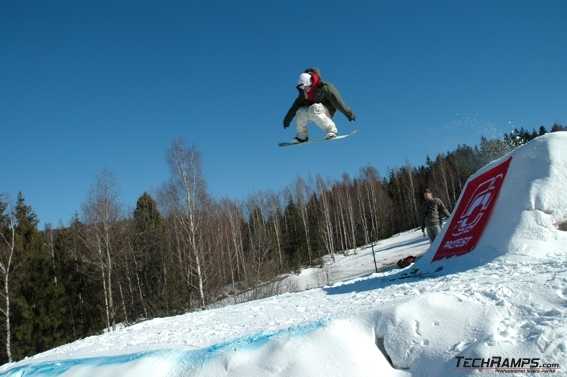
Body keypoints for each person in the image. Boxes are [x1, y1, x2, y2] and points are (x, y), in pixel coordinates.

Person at [283, 68, 356, 143]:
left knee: (314, 107)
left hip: (327, 110)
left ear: (310, 82)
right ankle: (302, 137)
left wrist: (348, 113)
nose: (305, 89)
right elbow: (295, 107)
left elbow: (337, 101)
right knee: (300, 111)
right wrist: (287, 119)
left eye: (306, 87)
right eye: (303, 88)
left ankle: (332, 131)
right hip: (313, 111)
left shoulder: (324, 87)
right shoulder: (303, 94)